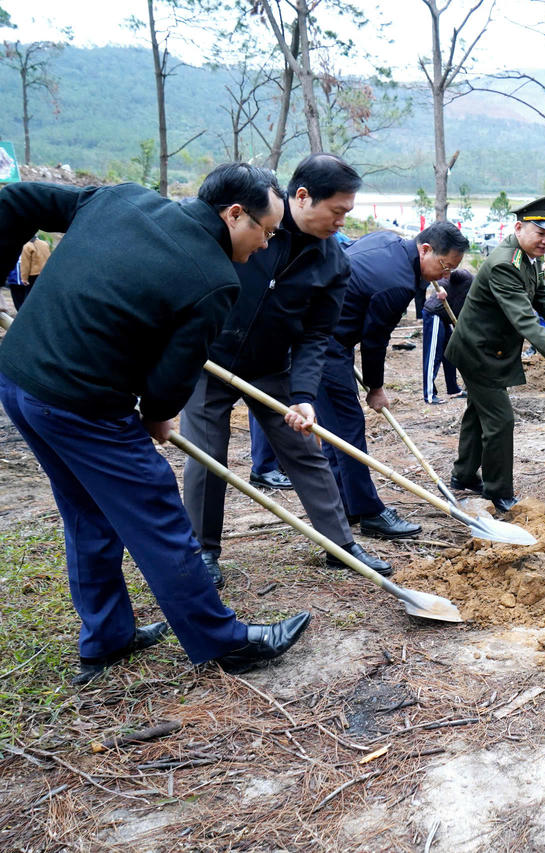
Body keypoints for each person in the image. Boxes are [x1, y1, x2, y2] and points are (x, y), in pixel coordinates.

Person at [0, 164, 311, 682]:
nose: (266, 244)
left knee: (87, 510)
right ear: (234, 214)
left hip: (18, 381)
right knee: (157, 511)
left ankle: (107, 637)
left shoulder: (119, 198)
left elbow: (14, 201)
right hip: (83, 404)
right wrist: (158, 417)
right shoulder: (214, 281)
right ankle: (223, 640)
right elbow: (171, 380)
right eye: (267, 231)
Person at [182, 153, 392, 587]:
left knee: (304, 450)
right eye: (337, 211)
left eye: (347, 213)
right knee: (206, 455)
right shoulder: (251, 222)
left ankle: (340, 545)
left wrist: (303, 396)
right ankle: (203, 550)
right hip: (210, 360)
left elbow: (317, 336)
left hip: (271, 368)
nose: (342, 222)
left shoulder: (334, 262)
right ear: (302, 196)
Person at [314, 222, 468, 538]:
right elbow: (374, 339)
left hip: (322, 336)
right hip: (322, 345)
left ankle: (345, 503)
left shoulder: (389, 242)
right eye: (444, 266)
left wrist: (429, 282)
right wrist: (376, 388)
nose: (445, 276)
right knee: (348, 427)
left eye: (451, 271)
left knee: (336, 432)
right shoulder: (396, 283)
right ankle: (369, 512)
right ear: (425, 249)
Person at [446, 195, 545, 513]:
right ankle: (499, 490)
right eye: (540, 233)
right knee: (500, 420)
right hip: (478, 352)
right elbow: (525, 320)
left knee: (477, 412)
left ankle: (463, 474)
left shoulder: (528, 257)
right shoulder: (504, 264)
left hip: (489, 348)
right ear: (518, 228)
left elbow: (540, 293)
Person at [423, 267, 473, 403]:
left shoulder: (478, 297)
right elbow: (447, 274)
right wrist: (440, 288)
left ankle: (453, 389)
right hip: (435, 313)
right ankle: (429, 395)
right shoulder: (466, 277)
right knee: (434, 354)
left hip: (445, 319)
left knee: (450, 353)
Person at [15, 234, 51, 311]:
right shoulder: (45, 244)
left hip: (33, 275)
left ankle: (28, 313)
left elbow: (25, 265)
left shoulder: (27, 246)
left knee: (29, 297)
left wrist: (24, 279)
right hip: (45, 273)